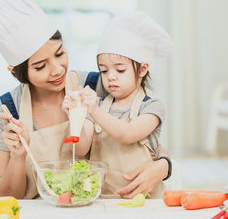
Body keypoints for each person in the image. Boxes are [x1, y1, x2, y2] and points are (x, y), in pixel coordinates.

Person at [0, 0, 171, 199]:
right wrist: (18, 156)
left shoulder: (97, 87)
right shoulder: (5, 112)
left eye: (59, 53)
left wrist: (163, 167)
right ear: (16, 72)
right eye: (40, 66)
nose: (57, 69)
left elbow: (143, 138)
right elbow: (4, 196)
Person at [64, 12, 172, 198]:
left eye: (120, 70)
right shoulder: (97, 104)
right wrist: (74, 115)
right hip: (104, 198)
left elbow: (128, 134)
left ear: (143, 69)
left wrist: (95, 111)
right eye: (104, 71)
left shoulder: (152, 107)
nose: (110, 76)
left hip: (144, 200)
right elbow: (81, 148)